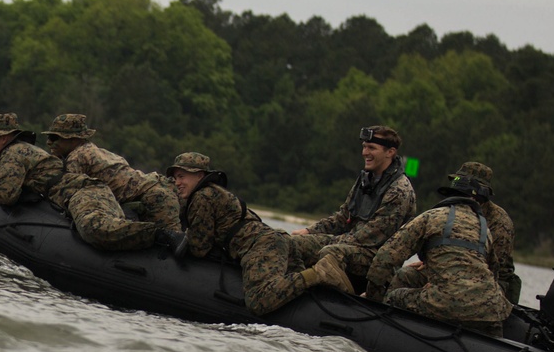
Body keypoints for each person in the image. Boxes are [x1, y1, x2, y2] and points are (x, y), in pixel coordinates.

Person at [167, 152, 354, 316]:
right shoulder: (214, 192)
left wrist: (176, 240)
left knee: (258, 301)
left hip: (259, 245)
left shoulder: (201, 197)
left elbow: (199, 248)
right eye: (175, 178)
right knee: (293, 288)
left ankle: (319, 273)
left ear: (199, 175)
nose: (177, 182)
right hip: (274, 239)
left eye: (182, 177)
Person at [0, 113, 186, 256]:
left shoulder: (14, 153)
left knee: (94, 229)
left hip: (85, 193)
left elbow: (5, 195)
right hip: (104, 191)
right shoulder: (24, 152)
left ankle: (160, 234)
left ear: (4, 139)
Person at [363, 170, 513, 337]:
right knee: (408, 276)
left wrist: (372, 299)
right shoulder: (485, 230)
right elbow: (494, 271)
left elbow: (384, 258)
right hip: (489, 308)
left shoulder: (430, 217)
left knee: (395, 296)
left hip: (445, 302)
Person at [291, 125, 417, 289]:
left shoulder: (399, 190)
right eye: (364, 147)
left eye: (371, 148)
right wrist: (309, 231)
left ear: (390, 152)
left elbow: (369, 237)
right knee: (292, 242)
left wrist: (322, 241)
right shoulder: (366, 180)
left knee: (329, 252)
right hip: (352, 246)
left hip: (377, 260)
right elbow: (343, 217)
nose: (365, 152)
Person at [42, 113, 182, 232]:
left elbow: (67, 190)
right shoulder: (93, 150)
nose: (49, 142)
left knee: (172, 242)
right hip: (157, 190)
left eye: (54, 138)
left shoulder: (77, 158)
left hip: (156, 198)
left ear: (73, 139)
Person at [448, 162, 521, 304]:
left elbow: (493, 267)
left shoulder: (499, 222)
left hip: (491, 281)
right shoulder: (455, 207)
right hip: (452, 269)